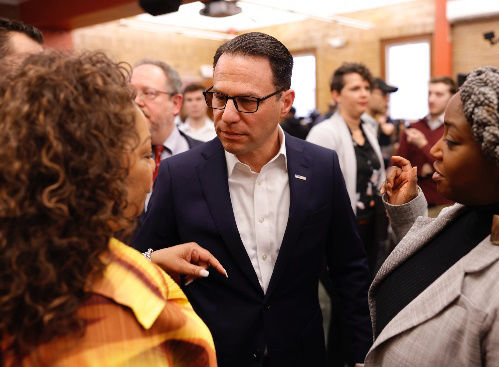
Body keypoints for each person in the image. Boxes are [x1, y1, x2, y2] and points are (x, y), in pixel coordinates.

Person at [133, 32, 372, 367]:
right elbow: (140, 261)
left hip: (300, 353)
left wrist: (361, 354)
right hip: (213, 355)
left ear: (285, 103)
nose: (227, 115)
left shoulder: (320, 167)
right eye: (218, 97)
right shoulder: (180, 174)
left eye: (247, 101)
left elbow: (349, 271)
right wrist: (154, 259)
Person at [0, 51, 223, 367]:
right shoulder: (143, 329)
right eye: (144, 156)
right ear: (100, 175)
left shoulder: (20, 257)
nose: (152, 175)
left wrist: (145, 261)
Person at [366, 67, 499, 366]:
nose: (434, 149)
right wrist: (407, 209)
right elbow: (456, 261)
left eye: (452, 140)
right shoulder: (487, 213)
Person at [307, 63, 386, 275]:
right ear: (336, 95)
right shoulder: (324, 133)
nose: (363, 94)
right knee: (348, 296)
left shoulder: (368, 129)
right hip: (340, 230)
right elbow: (314, 191)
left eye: (366, 88)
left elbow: (377, 176)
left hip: (371, 226)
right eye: (355, 89)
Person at [131, 59, 201, 183]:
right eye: (130, 94)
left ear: (175, 103)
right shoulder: (114, 156)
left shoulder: (204, 156)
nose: (136, 101)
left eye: (149, 93)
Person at [396, 76, 457, 217]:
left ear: (452, 97)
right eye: (429, 93)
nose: (431, 99)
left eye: (439, 94)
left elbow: (451, 169)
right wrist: (419, 170)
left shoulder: (454, 129)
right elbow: (398, 165)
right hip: (413, 204)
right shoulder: (413, 127)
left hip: (443, 206)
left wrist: (423, 146)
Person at [362, 78, 400, 168]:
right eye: (383, 94)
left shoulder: (372, 124)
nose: (387, 100)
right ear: (368, 93)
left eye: (388, 96)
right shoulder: (358, 126)